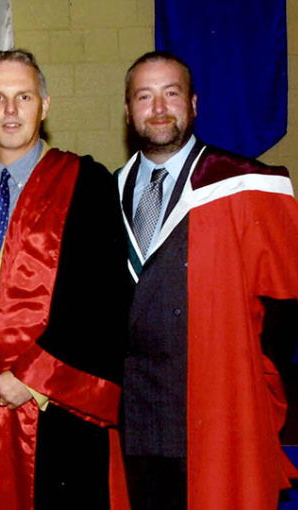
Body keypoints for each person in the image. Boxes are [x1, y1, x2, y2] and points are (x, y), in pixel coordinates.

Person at [0, 49, 130, 509]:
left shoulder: (86, 182)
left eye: (24, 97)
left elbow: (104, 299)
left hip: (58, 409)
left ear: (45, 104)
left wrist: (35, 378)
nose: (11, 110)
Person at [118, 50, 298, 509]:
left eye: (171, 93)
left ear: (194, 103)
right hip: (131, 426)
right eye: (144, 96)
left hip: (214, 416)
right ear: (127, 111)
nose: (158, 108)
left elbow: (282, 312)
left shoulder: (246, 186)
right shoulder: (106, 192)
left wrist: (249, 387)